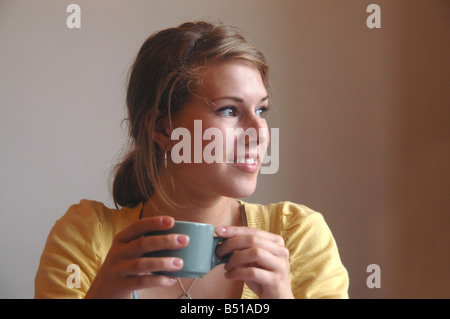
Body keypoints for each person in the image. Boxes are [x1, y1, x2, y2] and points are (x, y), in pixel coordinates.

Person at [35, 21, 349, 299]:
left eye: (261, 110)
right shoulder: (87, 236)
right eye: (229, 110)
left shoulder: (297, 235)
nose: (260, 132)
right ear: (162, 128)